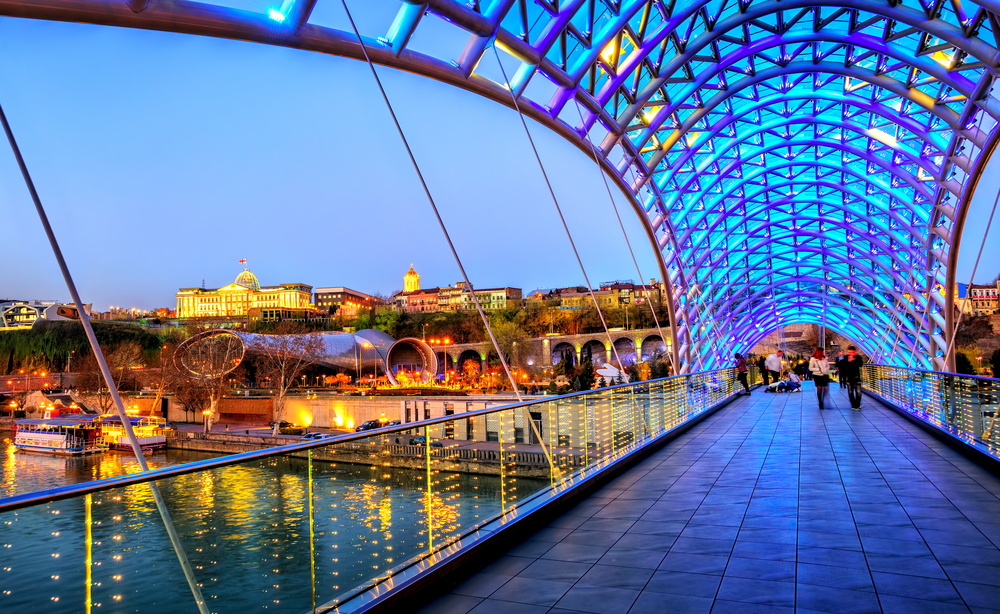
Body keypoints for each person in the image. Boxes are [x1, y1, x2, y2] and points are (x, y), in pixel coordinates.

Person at [840, 345, 864, 410]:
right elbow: (842, 365)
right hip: (849, 377)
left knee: (858, 392)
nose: (850, 354)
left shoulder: (858, 357)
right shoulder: (845, 358)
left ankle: (857, 405)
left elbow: (860, 364)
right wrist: (848, 361)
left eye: (852, 352)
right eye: (849, 352)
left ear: (855, 352)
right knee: (850, 392)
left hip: (857, 377)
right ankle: (853, 405)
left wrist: (854, 360)